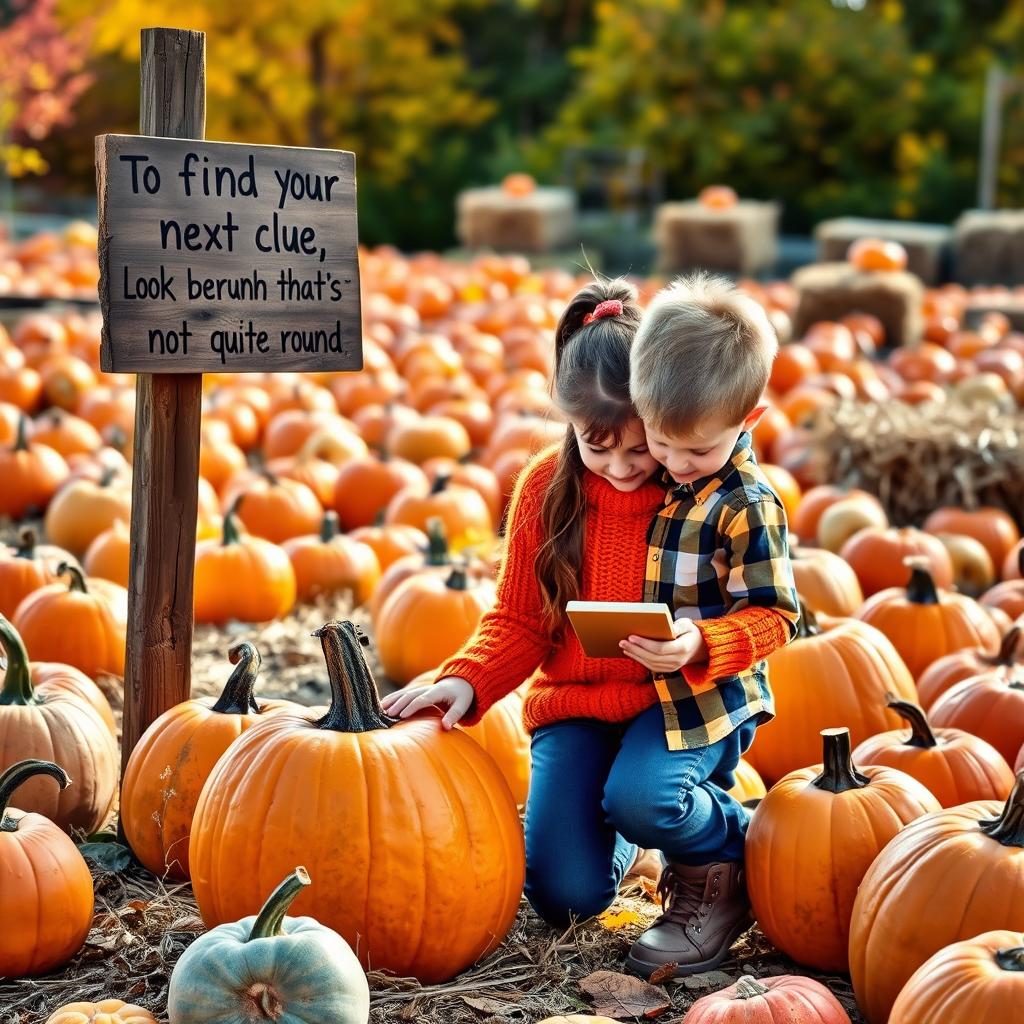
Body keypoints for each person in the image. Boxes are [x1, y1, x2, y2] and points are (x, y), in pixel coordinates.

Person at [618, 271, 800, 977]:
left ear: (747, 420)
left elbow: (781, 616)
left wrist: (701, 642)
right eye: (661, 444)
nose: (674, 464)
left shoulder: (748, 504)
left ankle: (733, 855)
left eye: (696, 451)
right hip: (649, 691)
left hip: (713, 697)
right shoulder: (661, 472)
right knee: (617, 793)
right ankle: (708, 854)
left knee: (644, 800)